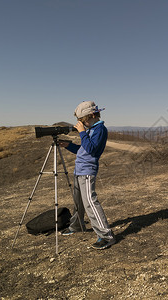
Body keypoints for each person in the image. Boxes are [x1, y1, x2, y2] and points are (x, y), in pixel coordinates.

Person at [58, 101, 115, 250]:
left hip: (87, 172)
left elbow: (91, 150)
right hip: (79, 170)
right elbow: (82, 149)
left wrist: (82, 132)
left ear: (91, 115)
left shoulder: (100, 129)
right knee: (78, 202)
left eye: (82, 121)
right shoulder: (91, 129)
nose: (81, 124)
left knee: (90, 202)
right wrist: (68, 145)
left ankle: (105, 236)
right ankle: (77, 226)